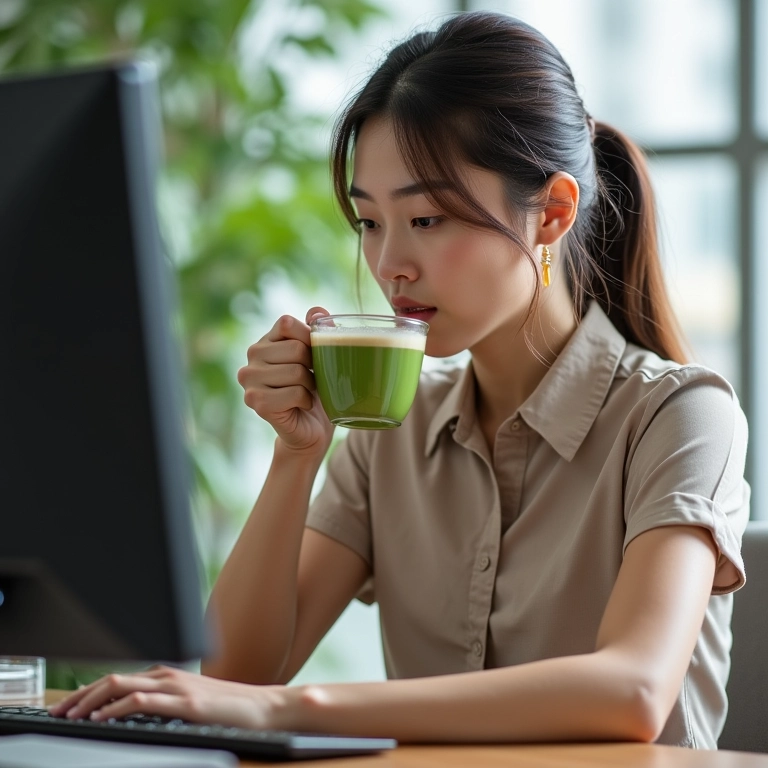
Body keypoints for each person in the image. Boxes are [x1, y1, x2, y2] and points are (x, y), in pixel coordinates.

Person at [50, 11, 749, 749]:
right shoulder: (394, 430)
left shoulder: (680, 413)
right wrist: (296, 455)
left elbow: (632, 691)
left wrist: (298, 711)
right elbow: (237, 678)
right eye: (369, 223)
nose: (389, 267)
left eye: (425, 219)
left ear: (551, 214)